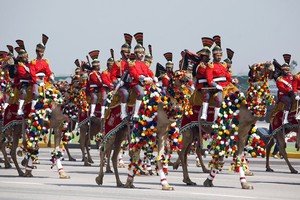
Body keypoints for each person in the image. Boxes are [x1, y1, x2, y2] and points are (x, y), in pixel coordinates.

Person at [205, 35, 236, 121]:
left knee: (239, 97)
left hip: (227, 86)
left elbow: (227, 75)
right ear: (214, 55)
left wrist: (232, 80)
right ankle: (216, 120)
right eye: (217, 55)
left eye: (220, 55)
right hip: (217, 88)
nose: (219, 57)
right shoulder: (210, 65)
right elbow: (209, 79)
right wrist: (215, 85)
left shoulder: (223, 64)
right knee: (219, 101)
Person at [129, 32, 156, 121]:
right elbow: (134, 74)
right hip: (136, 83)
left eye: (142, 53)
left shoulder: (144, 64)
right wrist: (143, 78)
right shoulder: (132, 63)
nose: (142, 55)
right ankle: (136, 113)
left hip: (146, 83)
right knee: (140, 93)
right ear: (136, 54)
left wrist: (153, 77)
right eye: (140, 53)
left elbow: (149, 71)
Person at [110, 33, 132, 119]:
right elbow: (112, 76)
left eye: (129, 52)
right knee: (125, 93)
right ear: (121, 53)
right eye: (126, 52)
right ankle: (123, 113)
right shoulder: (117, 63)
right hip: (121, 84)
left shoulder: (132, 63)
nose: (128, 54)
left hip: (131, 83)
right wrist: (116, 82)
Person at [30, 34, 54, 111]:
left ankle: (49, 107)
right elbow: (32, 74)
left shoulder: (45, 62)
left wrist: (51, 75)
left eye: (43, 52)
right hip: (36, 81)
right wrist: (38, 81)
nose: (42, 54)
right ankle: (33, 109)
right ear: (37, 52)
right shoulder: (33, 62)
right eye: (41, 52)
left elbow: (48, 71)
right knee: (36, 94)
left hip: (45, 81)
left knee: (54, 92)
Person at [194, 37, 214, 120]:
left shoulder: (209, 64)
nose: (207, 58)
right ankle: (204, 114)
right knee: (207, 95)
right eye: (205, 56)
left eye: (208, 56)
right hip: (202, 85)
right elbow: (205, 74)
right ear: (202, 56)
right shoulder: (200, 65)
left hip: (212, 84)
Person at [276, 54, 294, 125]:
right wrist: (289, 91)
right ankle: (284, 119)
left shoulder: (291, 77)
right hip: (283, 95)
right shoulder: (280, 79)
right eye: (286, 70)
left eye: (288, 70)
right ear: (282, 71)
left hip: (292, 93)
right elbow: (281, 88)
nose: (287, 71)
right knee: (288, 101)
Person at [87, 50, 105, 117]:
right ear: (96, 66)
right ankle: (92, 113)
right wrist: (102, 84)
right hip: (93, 90)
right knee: (94, 97)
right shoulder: (92, 74)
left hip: (100, 89)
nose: (100, 67)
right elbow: (97, 82)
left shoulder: (99, 73)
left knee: (104, 97)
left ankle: (103, 113)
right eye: (99, 65)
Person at [14, 45, 31, 115]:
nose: (26, 58)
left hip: (31, 82)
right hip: (23, 83)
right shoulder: (19, 66)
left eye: (26, 57)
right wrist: (31, 75)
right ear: (21, 58)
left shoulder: (28, 64)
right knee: (24, 92)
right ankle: (19, 109)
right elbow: (23, 75)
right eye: (25, 57)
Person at [100, 49, 115, 118]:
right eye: (110, 65)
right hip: (106, 89)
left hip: (114, 89)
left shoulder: (115, 73)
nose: (111, 66)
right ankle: (103, 114)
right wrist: (111, 84)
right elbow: (105, 81)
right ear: (107, 65)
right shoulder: (104, 72)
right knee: (104, 98)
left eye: (112, 65)